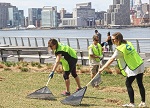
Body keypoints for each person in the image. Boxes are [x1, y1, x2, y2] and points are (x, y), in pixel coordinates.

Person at [99, 32, 146, 107]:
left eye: (113, 39)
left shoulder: (119, 49)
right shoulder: (128, 43)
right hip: (140, 64)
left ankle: (132, 103)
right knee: (140, 83)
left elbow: (111, 59)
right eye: (111, 39)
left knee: (128, 83)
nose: (112, 41)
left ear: (118, 39)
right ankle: (143, 102)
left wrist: (102, 68)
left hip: (133, 66)